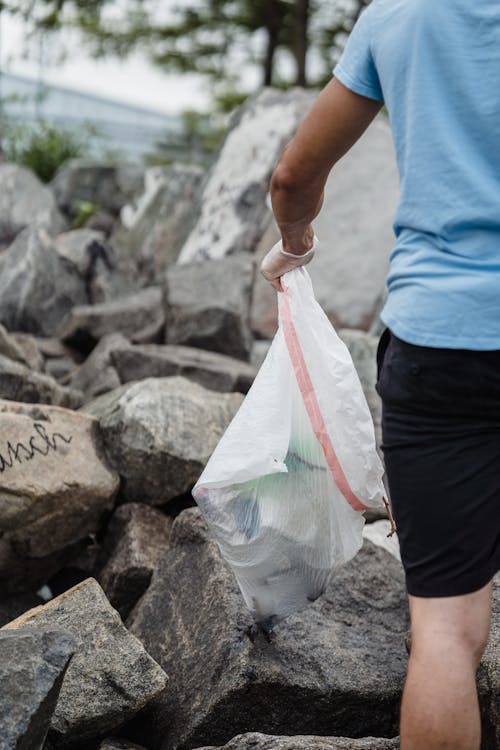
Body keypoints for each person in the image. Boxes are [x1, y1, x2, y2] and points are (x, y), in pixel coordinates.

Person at [259, 1, 500, 749]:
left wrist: (294, 240)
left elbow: (294, 172)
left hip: (441, 346)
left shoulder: (399, 13)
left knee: (445, 629)